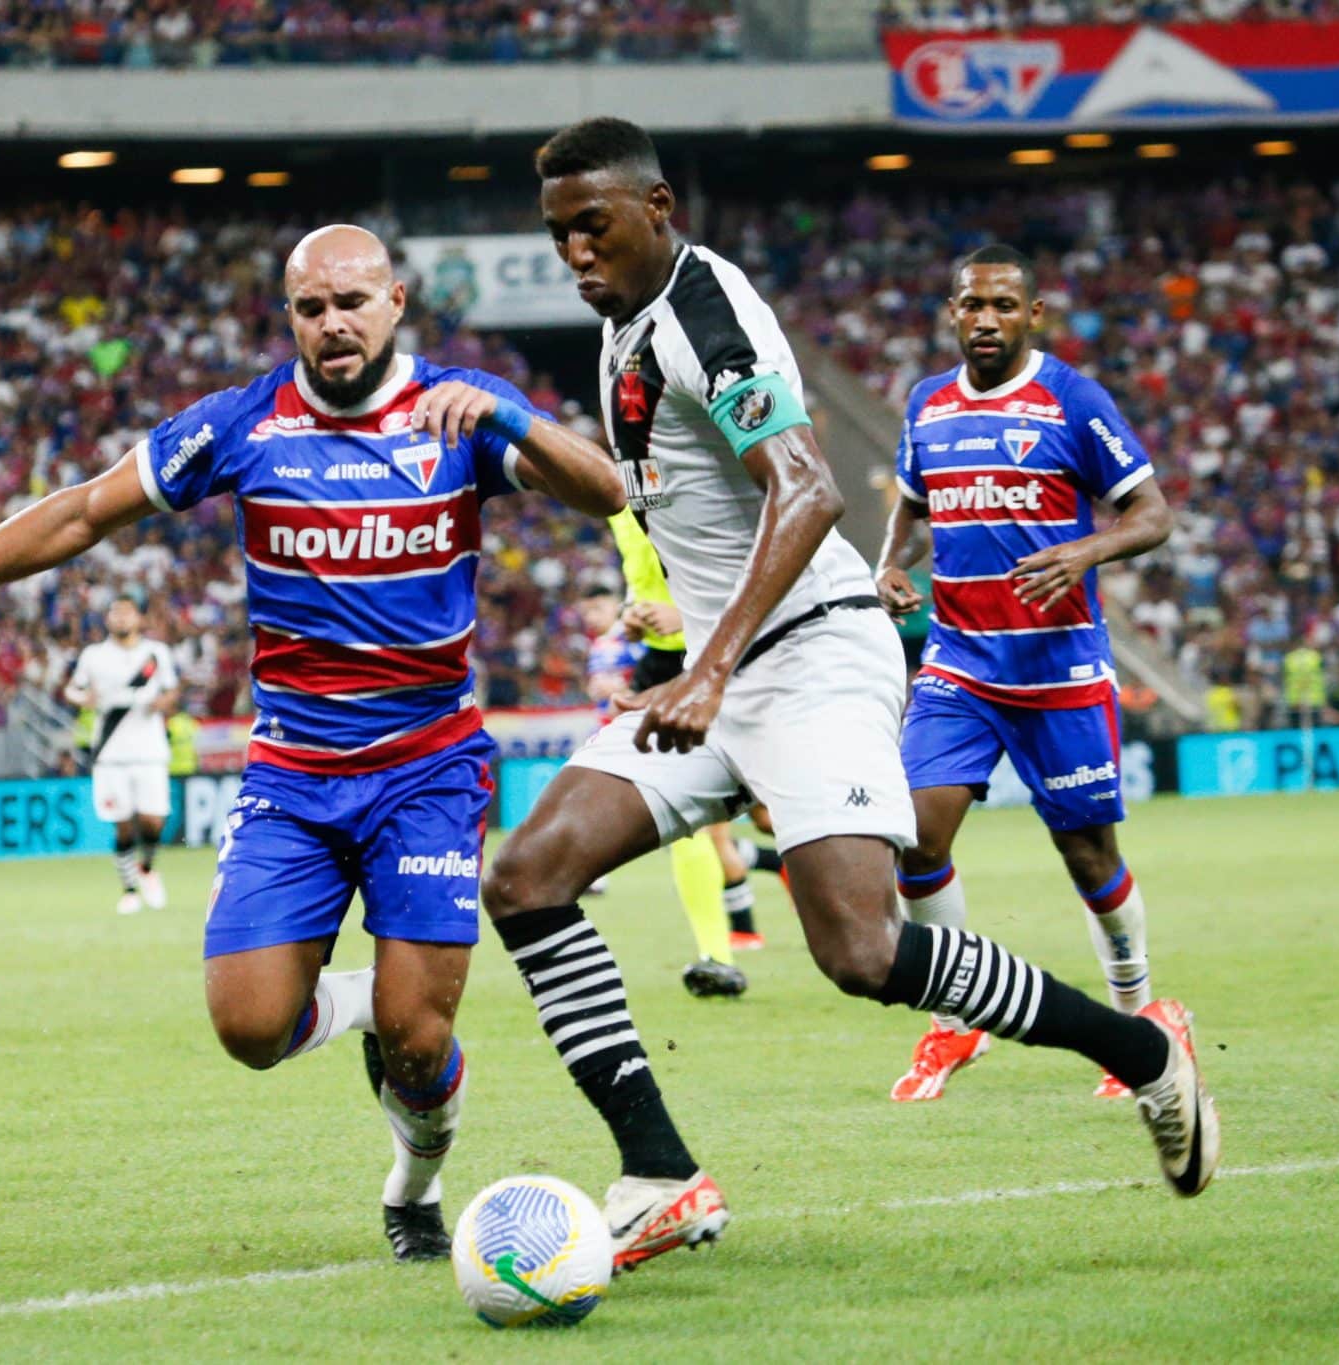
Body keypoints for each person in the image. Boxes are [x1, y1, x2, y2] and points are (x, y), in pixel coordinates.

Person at [0, 224, 626, 1263]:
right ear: (289, 317)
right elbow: (82, 513)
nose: (333, 324)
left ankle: (413, 1181)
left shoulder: (459, 413)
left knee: (420, 1043)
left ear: (394, 303)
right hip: (292, 774)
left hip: (426, 767)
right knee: (248, 1028)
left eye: (352, 302)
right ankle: (381, 1003)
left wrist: (516, 416)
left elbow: (606, 491)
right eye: (311, 308)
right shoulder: (241, 424)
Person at [481, 119, 1219, 1275]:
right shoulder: (626, 320)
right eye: (558, 232)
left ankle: (1140, 1051)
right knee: (524, 879)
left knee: (862, 952)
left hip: (813, 654)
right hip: (723, 665)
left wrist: (711, 666)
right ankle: (662, 1175)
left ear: (656, 206)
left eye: (594, 224)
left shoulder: (698, 314)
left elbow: (810, 489)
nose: (575, 251)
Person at [874, 245, 1178, 1103]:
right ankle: (954, 1019)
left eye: (1004, 305)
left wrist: (1084, 548)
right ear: (952, 310)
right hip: (960, 663)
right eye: (971, 305)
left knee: (1088, 854)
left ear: (1033, 314)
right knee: (916, 838)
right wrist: (890, 564)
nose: (985, 320)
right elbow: (912, 500)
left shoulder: (1073, 399)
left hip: (1059, 667)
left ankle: (1141, 1016)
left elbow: (1152, 512)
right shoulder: (927, 404)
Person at [583, 570, 747, 999]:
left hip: (727, 656)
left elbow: (752, 561)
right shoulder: (623, 515)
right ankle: (719, 956)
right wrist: (632, 612)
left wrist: (691, 615)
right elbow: (645, 583)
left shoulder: (679, 506)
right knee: (688, 819)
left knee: (770, 818)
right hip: (666, 663)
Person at [63, 592, 179, 915]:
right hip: (110, 752)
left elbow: (172, 690)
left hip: (150, 748)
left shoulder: (156, 653)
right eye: (115, 612)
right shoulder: (94, 656)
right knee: (123, 824)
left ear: (139, 618)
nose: (121, 618)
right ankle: (129, 890)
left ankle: (148, 868)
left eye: (127, 612)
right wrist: (81, 698)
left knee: (153, 821)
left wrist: (163, 703)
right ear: (107, 619)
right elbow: (72, 689)